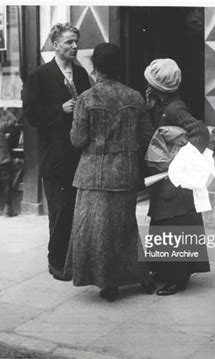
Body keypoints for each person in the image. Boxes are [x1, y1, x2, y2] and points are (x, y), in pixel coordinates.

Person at [63, 43, 156, 301]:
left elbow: (77, 139)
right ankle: (140, 275)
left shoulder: (87, 99)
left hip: (93, 174)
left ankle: (107, 282)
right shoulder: (135, 97)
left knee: (97, 230)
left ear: (95, 67)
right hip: (125, 173)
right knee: (125, 229)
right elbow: (148, 135)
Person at [22, 23, 90, 279]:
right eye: (69, 42)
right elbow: (30, 114)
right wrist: (58, 111)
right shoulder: (40, 75)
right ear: (55, 44)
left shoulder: (81, 75)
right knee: (60, 210)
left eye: (76, 42)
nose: (74, 46)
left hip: (80, 155)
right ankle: (57, 261)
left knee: (76, 211)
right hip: (55, 156)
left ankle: (74, 259)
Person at [144, 58, 211, 295]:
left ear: (159, 87)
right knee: (166, 220)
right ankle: (166, 271)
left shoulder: (174, 108)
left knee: (175, 221)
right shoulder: (163, 105)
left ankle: (178, 278)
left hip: (175, 176)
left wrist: (180, 163)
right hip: (168, 176)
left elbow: (199, 132)